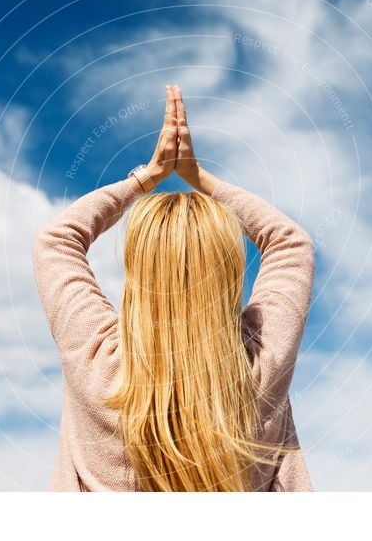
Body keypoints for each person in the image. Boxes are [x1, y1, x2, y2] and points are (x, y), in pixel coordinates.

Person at [32, 85, 315, 491]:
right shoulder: (258, 364)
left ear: (138, 273)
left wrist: (146, 178)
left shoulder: (98, 360)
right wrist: (200, 178)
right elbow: (291, 242)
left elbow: (56, 239)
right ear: (228, 273)